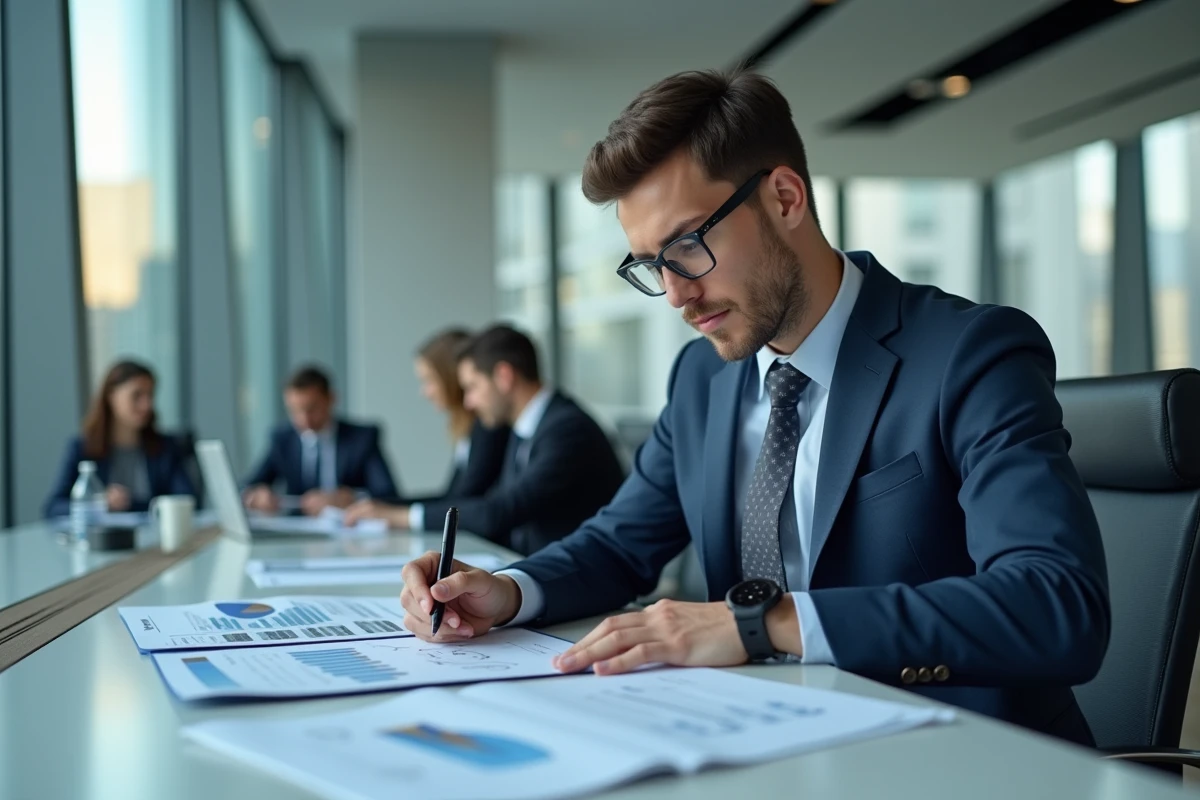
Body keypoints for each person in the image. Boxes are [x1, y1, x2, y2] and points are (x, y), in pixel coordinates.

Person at [396, 69, 1111, 744]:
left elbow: (1055, 604)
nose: (675, 294)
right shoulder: (702, 379)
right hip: (763, 738)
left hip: (950, 752)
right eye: (651, 264)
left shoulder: (967, 354)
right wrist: (509, 592)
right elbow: (619, 544)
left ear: (784, 198)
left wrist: (761, 623)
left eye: (686, 245)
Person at [348, 325, 625, 556]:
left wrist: (398, 516)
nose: (468, 401)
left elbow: (497, 511)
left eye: (472, 387)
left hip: (585, 589)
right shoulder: (529, 427)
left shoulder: (566, 430)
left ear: (504, 377)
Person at [347, 328, 510, 513]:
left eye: (430, 380)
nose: (425, 392)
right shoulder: (468, 428)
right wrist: (383, 506)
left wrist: (395, 513)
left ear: (452, 378)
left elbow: (463, 500)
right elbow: (451, 496)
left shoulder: (489, 427)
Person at [44, 360, 196, 518]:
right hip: (102, 540)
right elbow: (53, 507)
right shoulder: (82, 447)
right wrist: (98, 504)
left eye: (150, 395)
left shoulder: (165, 447)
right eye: (136, 395)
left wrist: (128, 504)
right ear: (111, 396)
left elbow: (187, 501)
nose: (147, 405)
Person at [243, 365, 400, 516]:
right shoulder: (283, 439)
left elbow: (388, 494)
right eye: (294, 410)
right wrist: (256, 495)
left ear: (331, 399)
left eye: (311, 409)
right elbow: (247, 486)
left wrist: (352, 498)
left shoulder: (361, 439)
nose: (304, 419)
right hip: (297, 534)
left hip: (349, 532)